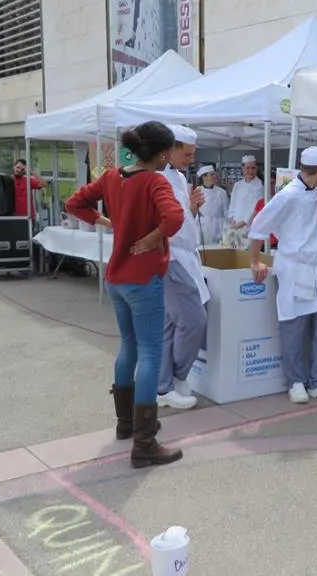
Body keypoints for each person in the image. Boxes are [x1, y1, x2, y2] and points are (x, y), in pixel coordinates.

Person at [65, 121, 184, 469]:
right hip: (143, 278)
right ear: (162, 153)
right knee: (150, 352)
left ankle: (127, 425)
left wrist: (105, 222)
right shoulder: (155, 181)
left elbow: (75, 203)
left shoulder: (112, 177)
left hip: (116, 277)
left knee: (129, 347)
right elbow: (174, 217)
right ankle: (144, 444)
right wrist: (155, 237)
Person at [249, 147, 317, 405]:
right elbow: (259, 226)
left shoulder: (313, 192)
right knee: (294, 327)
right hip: (292, 267)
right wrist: (255, 261)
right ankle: (296, 382)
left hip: (315, 267)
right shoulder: (287, 195)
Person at [156, 126, 208, 411]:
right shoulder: (156, 178)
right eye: (186, 154)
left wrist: (193, 207)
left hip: (184, 255)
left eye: (192, 154)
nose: (190, 160)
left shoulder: (177, 176)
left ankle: (164, 385)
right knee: (193, 320)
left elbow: (184, 220)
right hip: (171, 257)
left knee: (172, 324)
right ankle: (174, 378)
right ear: (170, 150)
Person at [227, 155, 264, 233]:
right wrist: (232, 219)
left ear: (257, 168)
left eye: (253, 168)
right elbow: (232, 204)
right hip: (235, 225)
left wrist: (243, 222)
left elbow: (256, 209)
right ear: (243, 169)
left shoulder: (260, 186)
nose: (250, 171)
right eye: (247, 168)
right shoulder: (238, 185)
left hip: (251, 226)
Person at [196, 165, 228, 245]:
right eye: (211, 174)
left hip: (219, 226)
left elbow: (226, 212)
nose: (215, 176)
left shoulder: (221, 192)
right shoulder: (197, 191)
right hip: (203, 227)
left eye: (214, 174)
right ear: (204, 177)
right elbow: (194, 212)